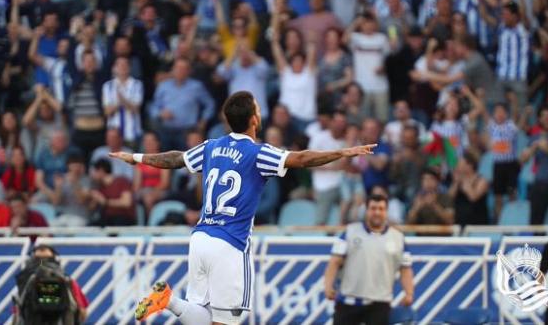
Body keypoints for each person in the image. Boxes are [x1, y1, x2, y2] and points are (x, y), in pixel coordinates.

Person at [110, 90, 376, 324]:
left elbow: (176, 159)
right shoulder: (258, 153)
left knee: (203, 314)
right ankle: (169, 302)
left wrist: (137, 157)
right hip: (230, 244)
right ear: (254, 120)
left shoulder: (211, 147)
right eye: (258, 109)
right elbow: (302, 158)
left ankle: (169, 301)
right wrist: (342, 152)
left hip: (200, 238)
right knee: (224, 322)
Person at [323, 194, 413, 325]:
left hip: (379, 303)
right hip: (349, 301)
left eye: (381, 209)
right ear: (366, 210)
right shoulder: (349, 232)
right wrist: (327, 286)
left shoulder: (398, 238)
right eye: (373, 208)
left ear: (386, 212)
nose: (377, 212)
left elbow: (405, 269)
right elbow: (334, 261)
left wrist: (409, 293)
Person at [14, 244, 88, 324]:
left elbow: (17, 310)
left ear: (32, 259)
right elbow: (83, 310)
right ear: (55, 259)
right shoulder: (67, 280)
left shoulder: (25, 278)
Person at [448, 153, 490, 226]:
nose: (457, 166)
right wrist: (456, 183)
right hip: (459, 223)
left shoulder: (482, 180)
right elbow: (449, 198)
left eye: (460, 164)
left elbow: (473, 197)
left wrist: (465, 182)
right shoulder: (458, 181)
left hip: (478, 224)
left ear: (470, 165)